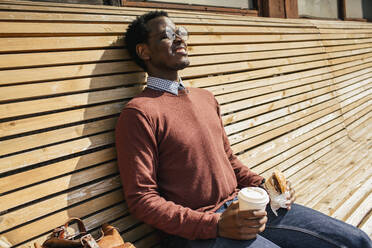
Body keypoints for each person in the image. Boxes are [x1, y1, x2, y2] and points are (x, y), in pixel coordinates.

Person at [115, 11, 372, 248]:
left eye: (180, 31)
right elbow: (142, 200)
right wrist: (214, 224)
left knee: (356, 240)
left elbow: (228, 160)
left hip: (243, 206)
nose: (180, 38)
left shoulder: (205, 98)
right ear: (144, 51)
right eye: (166, 35)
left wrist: (265, 186)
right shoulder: (139, 114)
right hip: (196, 230)